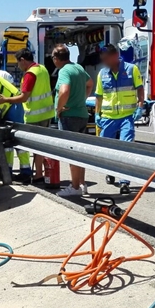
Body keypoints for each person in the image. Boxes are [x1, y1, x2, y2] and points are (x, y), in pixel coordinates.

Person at [0, 49, 55, 184]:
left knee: (34, 147)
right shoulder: (42, 69)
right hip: (46, 114)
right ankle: (40, 174)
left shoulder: (30, 74)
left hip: (35, 116)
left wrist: (5, 99)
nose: (18, 66)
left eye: (18, 62)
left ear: (23, 60)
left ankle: (38, 174)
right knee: (41, 146)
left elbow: (24, 97)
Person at [93, 44, 145, 194]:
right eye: (103, 60)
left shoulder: (131, 69)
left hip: (126, 117)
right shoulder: (102, 73)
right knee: (106, 149)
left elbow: (140, 89)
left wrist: (140, 106)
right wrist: (98, 114)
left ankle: (124, 182)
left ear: (115, 56)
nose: (105, 62)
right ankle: (110, 170)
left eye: (107, 59)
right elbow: (99, 96)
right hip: (108, 118)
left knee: (125, 148)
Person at [52, 45, 94, 197]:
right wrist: (82, 98)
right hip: (82, 114)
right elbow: (90, 84)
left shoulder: (64, 71)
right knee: (80, 151)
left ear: (56, 59)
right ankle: (82, 184)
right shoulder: (78, 68)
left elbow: (64, 91)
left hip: (69, 116)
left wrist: (59, 108)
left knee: (71, 152)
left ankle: (75, 187)